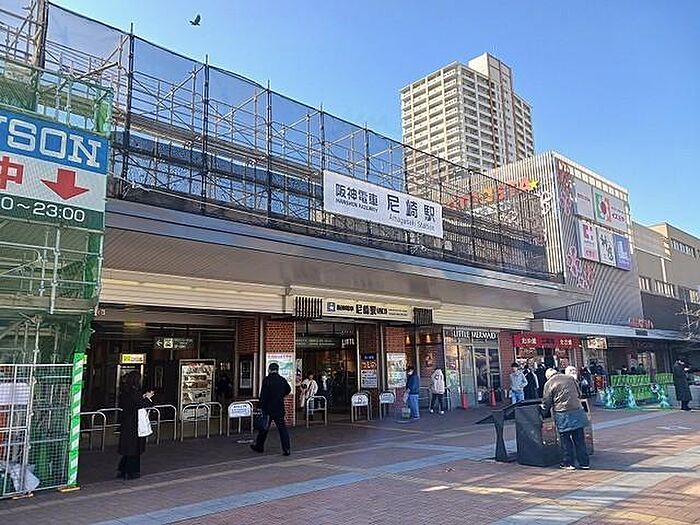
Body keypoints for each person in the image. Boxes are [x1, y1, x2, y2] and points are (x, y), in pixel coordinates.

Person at [541, 368, 590, 470]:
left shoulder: (549, 383)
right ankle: (584, 463)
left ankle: (568, 463)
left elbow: (547, 401)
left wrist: (543, 413)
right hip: (577, 411)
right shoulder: (570, 378)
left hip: (562, 413)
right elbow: (579, 393)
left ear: (548, 376)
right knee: (579, 439)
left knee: (565, 440)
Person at [117, 371, 154, 480]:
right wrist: (148, 398)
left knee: (129, 448)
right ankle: (132, 471)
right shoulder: (134, 392)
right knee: (135, 449)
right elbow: (142, 404)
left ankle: (122, 470)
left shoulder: (125, 391)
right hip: (135, 424)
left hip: (127, 423)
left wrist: (143, 396)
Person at [251, 363, 292, 455]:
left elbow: (263, 395)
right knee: (282, 429)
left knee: (264, 428)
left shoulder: (267, 380)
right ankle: (287, 449)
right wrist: (281, 395)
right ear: (277, 370)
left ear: (269, 370)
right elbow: (288, 390)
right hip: (279, 408)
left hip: (268, 409)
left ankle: (259, 446)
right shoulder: (282, 380)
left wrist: (260, 407)